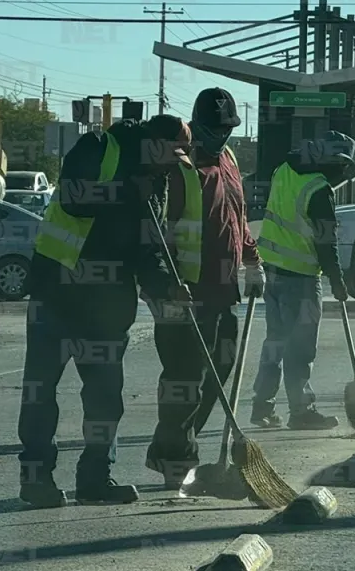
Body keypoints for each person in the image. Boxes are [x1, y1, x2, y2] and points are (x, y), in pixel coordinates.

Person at [17, 114, 195, 508]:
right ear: (153, 142)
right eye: (172, 154)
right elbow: (74, 198)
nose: (173, 164)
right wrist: (130, 191)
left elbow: (149, 251)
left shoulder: (159, 185)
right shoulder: (97, 148)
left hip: (107, 306)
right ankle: (36, 479)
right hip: (57, 293)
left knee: (104, 397)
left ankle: (95, 478)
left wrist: (167, 285)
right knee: (40, 390)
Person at [145, 87, 266, 489]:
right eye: (213, 128)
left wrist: (252, 261)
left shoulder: (228, 160)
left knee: (221, 367)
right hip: (184, 289)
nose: (221, 135)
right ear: (197, 124)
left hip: (223, 287)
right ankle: (177, 462)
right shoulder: (178, 167)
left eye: (227, 127)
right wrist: (164, 284)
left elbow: (237, 216)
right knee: (185, 377)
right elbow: (156, 231)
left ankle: (171, 448)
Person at [250, 130, 355, 431]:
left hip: (271, 270)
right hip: (300, 278)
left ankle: (262, 405)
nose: (341, 173)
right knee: (300, 348)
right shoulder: (319, 189)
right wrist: (337, 280)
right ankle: (302, 411)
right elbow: (326, 244)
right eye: (341, 165)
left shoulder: (283, 170)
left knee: (275, 341)